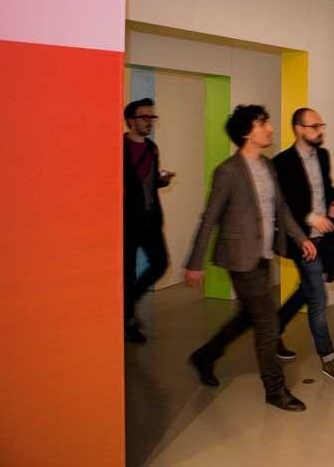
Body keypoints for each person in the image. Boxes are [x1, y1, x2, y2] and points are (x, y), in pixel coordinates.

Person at [184, 105, 316, 412]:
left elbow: (281, 209)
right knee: (268, 323)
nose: (269, 128)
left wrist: (301, 238)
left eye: (267, 122)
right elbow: (210, 217)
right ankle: (275, 389)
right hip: (240, 257)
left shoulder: (268, 166)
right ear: (246, 132)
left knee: (249, 316)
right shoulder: (228, 171)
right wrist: (195, 262)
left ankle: (205, 355)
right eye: (262, 123)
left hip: (264, 254)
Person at [272, 108, 334, 382]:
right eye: (314, 126)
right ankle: (329, 359)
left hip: (325, 239)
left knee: (307, 291)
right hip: (303, 240)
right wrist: (311, 217)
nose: (320, 130)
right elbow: (283, 205)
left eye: (321, 125)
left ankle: (271, 330)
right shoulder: (282, 162)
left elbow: (325, 189)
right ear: (299, 129)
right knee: (318, 300)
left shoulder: (322, 156)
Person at [123, 98, 174, 343]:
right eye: (144, 117)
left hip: (151, 218)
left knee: (160, 263)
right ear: (130, 120)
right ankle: (129, 321)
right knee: (127, 273)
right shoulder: (118, 147)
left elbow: (149, 183)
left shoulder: (152, 148)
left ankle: (128, 301)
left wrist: (162, 180)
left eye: (152, 117)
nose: (149, 121)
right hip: (126, 222)